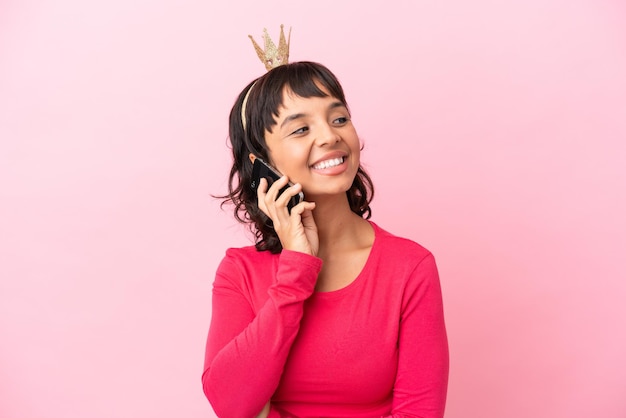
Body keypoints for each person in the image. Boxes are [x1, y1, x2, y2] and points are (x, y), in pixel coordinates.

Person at [202, 27, 449, 418]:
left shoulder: (410, 267)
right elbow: (231, 405)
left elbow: (419, 410)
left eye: (339, 118)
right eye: (301, 129)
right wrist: (296, 271)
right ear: (261, 163)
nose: (330, 137)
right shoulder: (240, 272)